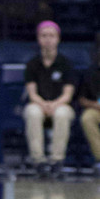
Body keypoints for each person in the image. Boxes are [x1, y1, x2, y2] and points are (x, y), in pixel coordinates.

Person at [23, 21, 76, 178]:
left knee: (62, 113)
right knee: (32, 112)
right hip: (38, 104)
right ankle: (38, 161)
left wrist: (53, 104)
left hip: (61, 104)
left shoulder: (66, 63)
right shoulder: (32, 64)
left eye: (51, 35)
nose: (48, 39)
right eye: (44, 35)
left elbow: (68, 94)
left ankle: (56, 161)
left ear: (58, 38)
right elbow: (32, 93)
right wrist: (43, 104)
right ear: (38, 39)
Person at [78, 34, 100, 175]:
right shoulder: (90, 72)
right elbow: (81, 99)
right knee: (87, 118)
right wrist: (94, 105)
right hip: (95, 109)